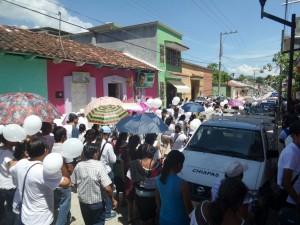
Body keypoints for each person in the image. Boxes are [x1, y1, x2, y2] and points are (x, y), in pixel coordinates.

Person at [10, 137, 71, 225]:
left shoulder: (21, 163)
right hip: (41, 219)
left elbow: (12, 165)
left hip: (24, 216)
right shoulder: (43, 171)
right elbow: (67, 182)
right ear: (45, 151)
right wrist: (61, 163)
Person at [71, 143, 117, 225]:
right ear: (96, 153)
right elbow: (108, 188)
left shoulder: (79, 165)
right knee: (98, 222)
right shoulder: (99, 165)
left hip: (83, 201)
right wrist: (113, 200)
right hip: (97, 202)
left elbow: (72, 183)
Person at [156, 150, 193, 225]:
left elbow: (157, 199)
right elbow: (188, 209)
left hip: (163, 219)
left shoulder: (159, 178)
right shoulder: (183, 184)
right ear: (179, 164)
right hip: (179, 221)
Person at [127, 145, 161, 225]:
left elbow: (130, 180)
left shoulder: (134, 163)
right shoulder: (158, 165)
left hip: (139, 195)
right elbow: (161, 180)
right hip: (154, 196)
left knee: (142, 216)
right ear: (153, 154)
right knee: (152, 215)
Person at [52, 127, 75, 225]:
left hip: (53, 181)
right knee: (64, 206)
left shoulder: (51, 147)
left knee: (58, 204)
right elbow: (70, 167)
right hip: (64, 181)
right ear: (63, 136)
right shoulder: (65, 148)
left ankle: (68, 219)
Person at [277, 120, 300, 208]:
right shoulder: (291, 153)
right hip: (290, 200)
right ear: (294, 136)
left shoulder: (296, 149)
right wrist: (297, 199)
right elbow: (285, 182)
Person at [98, 126, 117, 221]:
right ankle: (108, 213)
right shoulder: (108, 145)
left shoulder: (94, 142)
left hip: (96, 171)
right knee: (109, 191)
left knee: (100, 192)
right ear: (107, 135)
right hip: (106, 171)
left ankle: (101, 210)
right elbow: (113, 160)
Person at [0, 134, 16, 225]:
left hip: (1, 183)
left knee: (1, 207)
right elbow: (13, 170)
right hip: (9, 185)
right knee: (11, 209)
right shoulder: (9, 153)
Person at [113, 132, 128, 208]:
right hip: (123, 164)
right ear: (125, 137)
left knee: (117, 180)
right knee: (124, 182)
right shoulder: (126, 145)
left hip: (116, 165)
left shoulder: (116, 144)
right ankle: (124, 200)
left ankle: (117, 196)